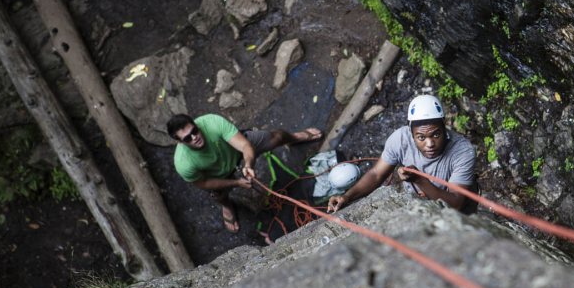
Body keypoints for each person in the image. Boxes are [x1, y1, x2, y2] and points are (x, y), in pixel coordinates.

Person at [167, 113, 322, 233]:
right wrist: (236, 183)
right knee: (219, 195)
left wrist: (248, 164)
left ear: (196, 124)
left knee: (277, 136)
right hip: (218, 175)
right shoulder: (183, 163)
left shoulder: (212, 122)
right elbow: (204, 183)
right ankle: (227, 206)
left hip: (235, 151)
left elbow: (244, 144)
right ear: (180, 141)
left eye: (194, 130)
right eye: (188, 138)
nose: (195, 137)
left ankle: (294, 137)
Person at [327, 95, 475, 213]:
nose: (430, 144)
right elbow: (376, 174)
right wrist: (347, 196)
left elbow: (455, 204)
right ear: (411, 133)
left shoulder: (462, 151)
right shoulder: (401, 139)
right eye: (421, 137)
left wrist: (420, 180)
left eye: (436, 135)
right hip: (415, 200)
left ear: (444, 127)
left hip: (453, 209)